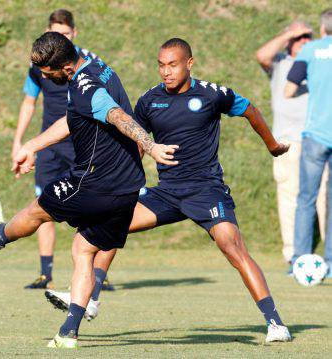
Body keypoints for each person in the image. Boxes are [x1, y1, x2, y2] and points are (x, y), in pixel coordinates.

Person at [44, 37, 292, 343]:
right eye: (161, 65)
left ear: (189, 63)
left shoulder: (213, 95)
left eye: (172, 65)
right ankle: (90, 301)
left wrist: (272, 145)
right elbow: (136, 140)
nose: (166, 72)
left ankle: (275, 323)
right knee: (110, 224)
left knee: (231, 245)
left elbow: (251, 110)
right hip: (167, 192)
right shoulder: (149, 101)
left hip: (206, 189)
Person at [0, 32, 178, 348]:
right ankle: (68, 333)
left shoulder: (85, 88)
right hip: (127, 187)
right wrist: (32, 145)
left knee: (37, 211)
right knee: (83, 249)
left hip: (92, 182)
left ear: (64, 67)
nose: (45, 79)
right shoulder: (98, 66)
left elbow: (116, 115)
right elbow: (76, 120)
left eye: (47, 74)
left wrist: (150, 146)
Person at [12, 9, 115, 290]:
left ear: (74, 34)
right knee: (43, 202)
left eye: (65, 35)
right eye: (55, 34)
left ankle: (96, 273)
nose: (60, 39)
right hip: (49, 143)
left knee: (94, 206)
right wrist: (19, 141)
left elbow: (107, 102)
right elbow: (29, 102)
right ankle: (46, 273)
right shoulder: (38, 66)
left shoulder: (87, 64)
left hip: (80, 142)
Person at [256, 21, 327, 264]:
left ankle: (328, 255)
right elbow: (261, 55)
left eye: (307, 35)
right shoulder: (280, 63)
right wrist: (289, 33)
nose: (304, 40)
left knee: (323, 198)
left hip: (317, 137)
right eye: (299, 38)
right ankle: (293, 255)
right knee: (289, 198)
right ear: (289, 42)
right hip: (287, 141)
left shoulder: (319, 61)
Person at [286, 8, 332, 276]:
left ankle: (299, 262)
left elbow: (289, 89)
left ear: (323, 29)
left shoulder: (311, 50)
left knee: (306, 199)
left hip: (315, 135)